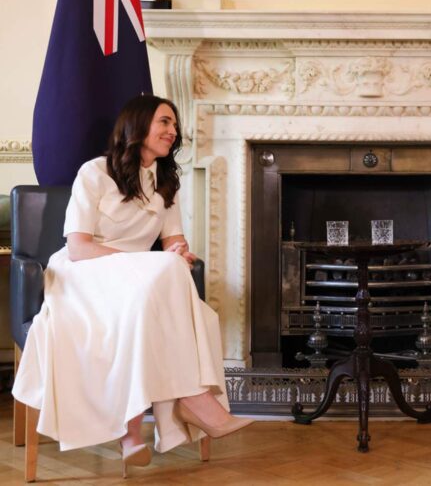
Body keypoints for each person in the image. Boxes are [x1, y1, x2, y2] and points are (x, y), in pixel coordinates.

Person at [12, 95, 253, 477]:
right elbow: (77, 246)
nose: (173, 132)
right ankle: (193, 399)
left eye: (174, 125)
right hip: (83, 272)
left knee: (165, 278)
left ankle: (131, 433)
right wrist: (150, 260)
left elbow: (174, 240)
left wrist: (177, 249)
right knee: (165, 275)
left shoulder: (166, 181)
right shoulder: (94, 173)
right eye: (165, 122)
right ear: (137, 126)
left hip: (137, 281)